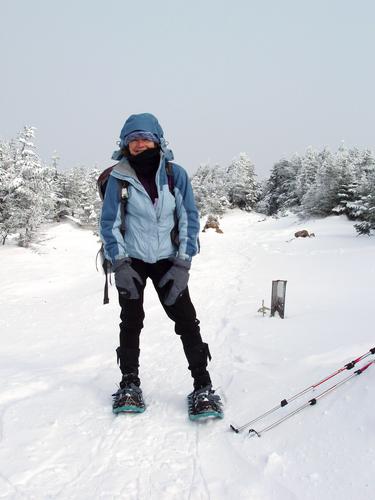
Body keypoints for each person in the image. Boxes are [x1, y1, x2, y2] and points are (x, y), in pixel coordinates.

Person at [100, 113, 222, 419]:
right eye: (134, 140)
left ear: (158, 140)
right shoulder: (118, 178)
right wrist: (120, 265)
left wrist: (183, 264)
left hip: (169, 261)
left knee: (186, 321)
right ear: (125, 145)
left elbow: (189, 219)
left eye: (146, 138)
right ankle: (129, 383)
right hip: (132, 261)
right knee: (131, 321)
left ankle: (203, 386)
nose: (141, 144)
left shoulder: (175, 175)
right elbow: (109, 224)